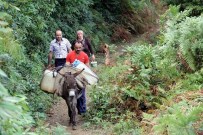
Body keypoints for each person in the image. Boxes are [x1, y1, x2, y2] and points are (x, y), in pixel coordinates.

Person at [66, 41, 89, 115]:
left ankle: (82, 110)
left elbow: (87, 66)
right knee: (68, 91)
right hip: (72, 75)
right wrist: (71, 67)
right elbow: (67, 65)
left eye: (79, 47)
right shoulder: (70, 54)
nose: (78, 49)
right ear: (74, 47)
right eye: (76, 48)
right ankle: (72, 109)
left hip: (81, 76)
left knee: (82, 93)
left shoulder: (85, 55)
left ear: (82, 47)